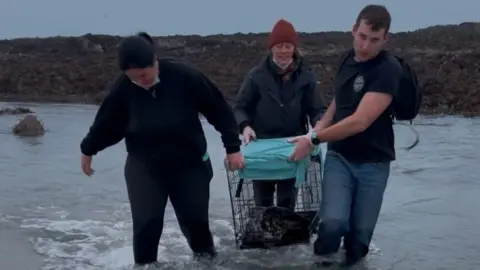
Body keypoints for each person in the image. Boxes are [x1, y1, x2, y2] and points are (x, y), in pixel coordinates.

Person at [79, 32, 244, 266]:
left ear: (155, 61)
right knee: (147, 225)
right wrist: (88, 149)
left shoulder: (185, 76)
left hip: (190, 165)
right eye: (134, 78)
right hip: (145, 167)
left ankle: (207, 263)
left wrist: (232, 147)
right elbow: (107, 124)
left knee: (196, 225)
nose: (140, 81)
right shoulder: (123, 89)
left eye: (144, 75)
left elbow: (219, 110)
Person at [288, 5, 403, 267]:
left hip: (374, 163)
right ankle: (321, 264)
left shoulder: (388, 70)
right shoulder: (346, 59)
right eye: (362, 36)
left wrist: (314, 141)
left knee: (359, 237)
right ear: (353, 30)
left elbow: (360, 121)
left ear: (385, 39)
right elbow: (340, 102)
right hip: (340, 157)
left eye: (374, 40)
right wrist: (314, 131)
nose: (365, 46)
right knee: (333, 223)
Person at [233, 19, 324, 210]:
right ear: (272, 48)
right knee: (263, 204)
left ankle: (286, 238)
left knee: (286, 204)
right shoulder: (256, 76)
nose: (283, 51)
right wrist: (245, 126)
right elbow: (240, 107)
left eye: (288, 46)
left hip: (293, 148)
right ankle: (265, 235)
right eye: (279, 46)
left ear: (294, 48)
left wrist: (317, 128)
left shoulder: (307, 76)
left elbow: (316, 110)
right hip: (261, 149)